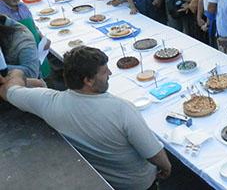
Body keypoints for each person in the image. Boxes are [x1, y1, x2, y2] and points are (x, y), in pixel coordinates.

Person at [0, 46, 172, 189]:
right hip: (138, 183)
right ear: (88, 80)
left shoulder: (48, 102)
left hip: (104, 180)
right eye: (104, 72)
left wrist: (16, 74)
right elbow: (155, 155)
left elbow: (8, 91)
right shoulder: (123, 109)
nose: (110, 73)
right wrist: (167, 168)